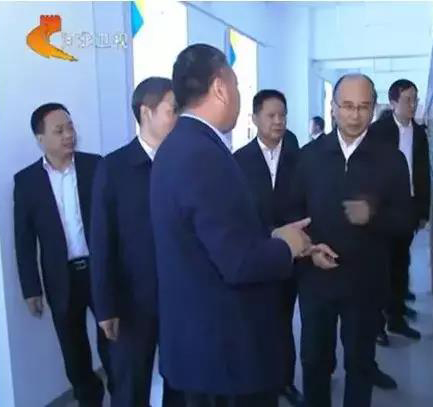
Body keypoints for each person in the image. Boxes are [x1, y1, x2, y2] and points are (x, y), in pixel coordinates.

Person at [150, 43, 314, 407]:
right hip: (223, 354)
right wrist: (287, 246)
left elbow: (210, 238)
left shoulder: (179, 146)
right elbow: (238, 262)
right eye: (237, 85)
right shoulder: (203, 155)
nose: (239, 95)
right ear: (220, 87)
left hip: (199, 344)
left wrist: (270, 236)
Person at [289, 73, 413, 407]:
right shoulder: (309, 157)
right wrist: (308, 250)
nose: (355, 115)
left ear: (374, 108)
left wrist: (374, 216)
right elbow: (292, 215)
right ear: (332, 108)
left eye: (363, 107)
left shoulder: (391, 160)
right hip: (316, 278)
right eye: (346, 106)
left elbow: (406, 220)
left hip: (365, 281)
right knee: (314, 361)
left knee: (360, 364)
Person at [89, 77, 178, 406]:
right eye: (172, 110)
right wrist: (105, 306)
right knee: (130, 386)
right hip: (131, 303)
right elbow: (102, 241)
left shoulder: (183, 163)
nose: (178, 118)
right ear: (146, 112)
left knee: (182, 383)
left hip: (180, 296)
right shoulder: (114, 168)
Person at [14, 103, 110, 406]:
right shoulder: (27, 181)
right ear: (40, 138)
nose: (69, 135)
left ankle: (122, 395)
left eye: (70, 127)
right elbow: (24, 240)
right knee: (74, 351)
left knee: (114, 343)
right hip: (61, 277)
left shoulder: (96, 166)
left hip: (99, 270)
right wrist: (31, 289)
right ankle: (90, 399)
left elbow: (114, 220)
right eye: (59, 130)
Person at [234, 89, 303, 406]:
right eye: (271, 115)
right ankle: (259, 380)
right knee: (258, 322)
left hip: (292, 254)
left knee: (284, 321)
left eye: (282, 115)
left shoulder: (298, 156)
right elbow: (238, 213)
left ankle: (284, 381)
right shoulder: (238, 161)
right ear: (255, 118)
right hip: (257, 254)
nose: (278, 121)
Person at [370, 79, 430, 341]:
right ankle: (376, 325)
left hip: (408, 208)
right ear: (393, 102)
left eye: (415, 99)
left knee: (401, 264)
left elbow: (423, 173)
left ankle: (396, 318)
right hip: (383, 211)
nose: (412, 105)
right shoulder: (378, 131)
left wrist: (424, 211)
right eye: (407, 100)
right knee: (380, 268)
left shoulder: (420, 133)